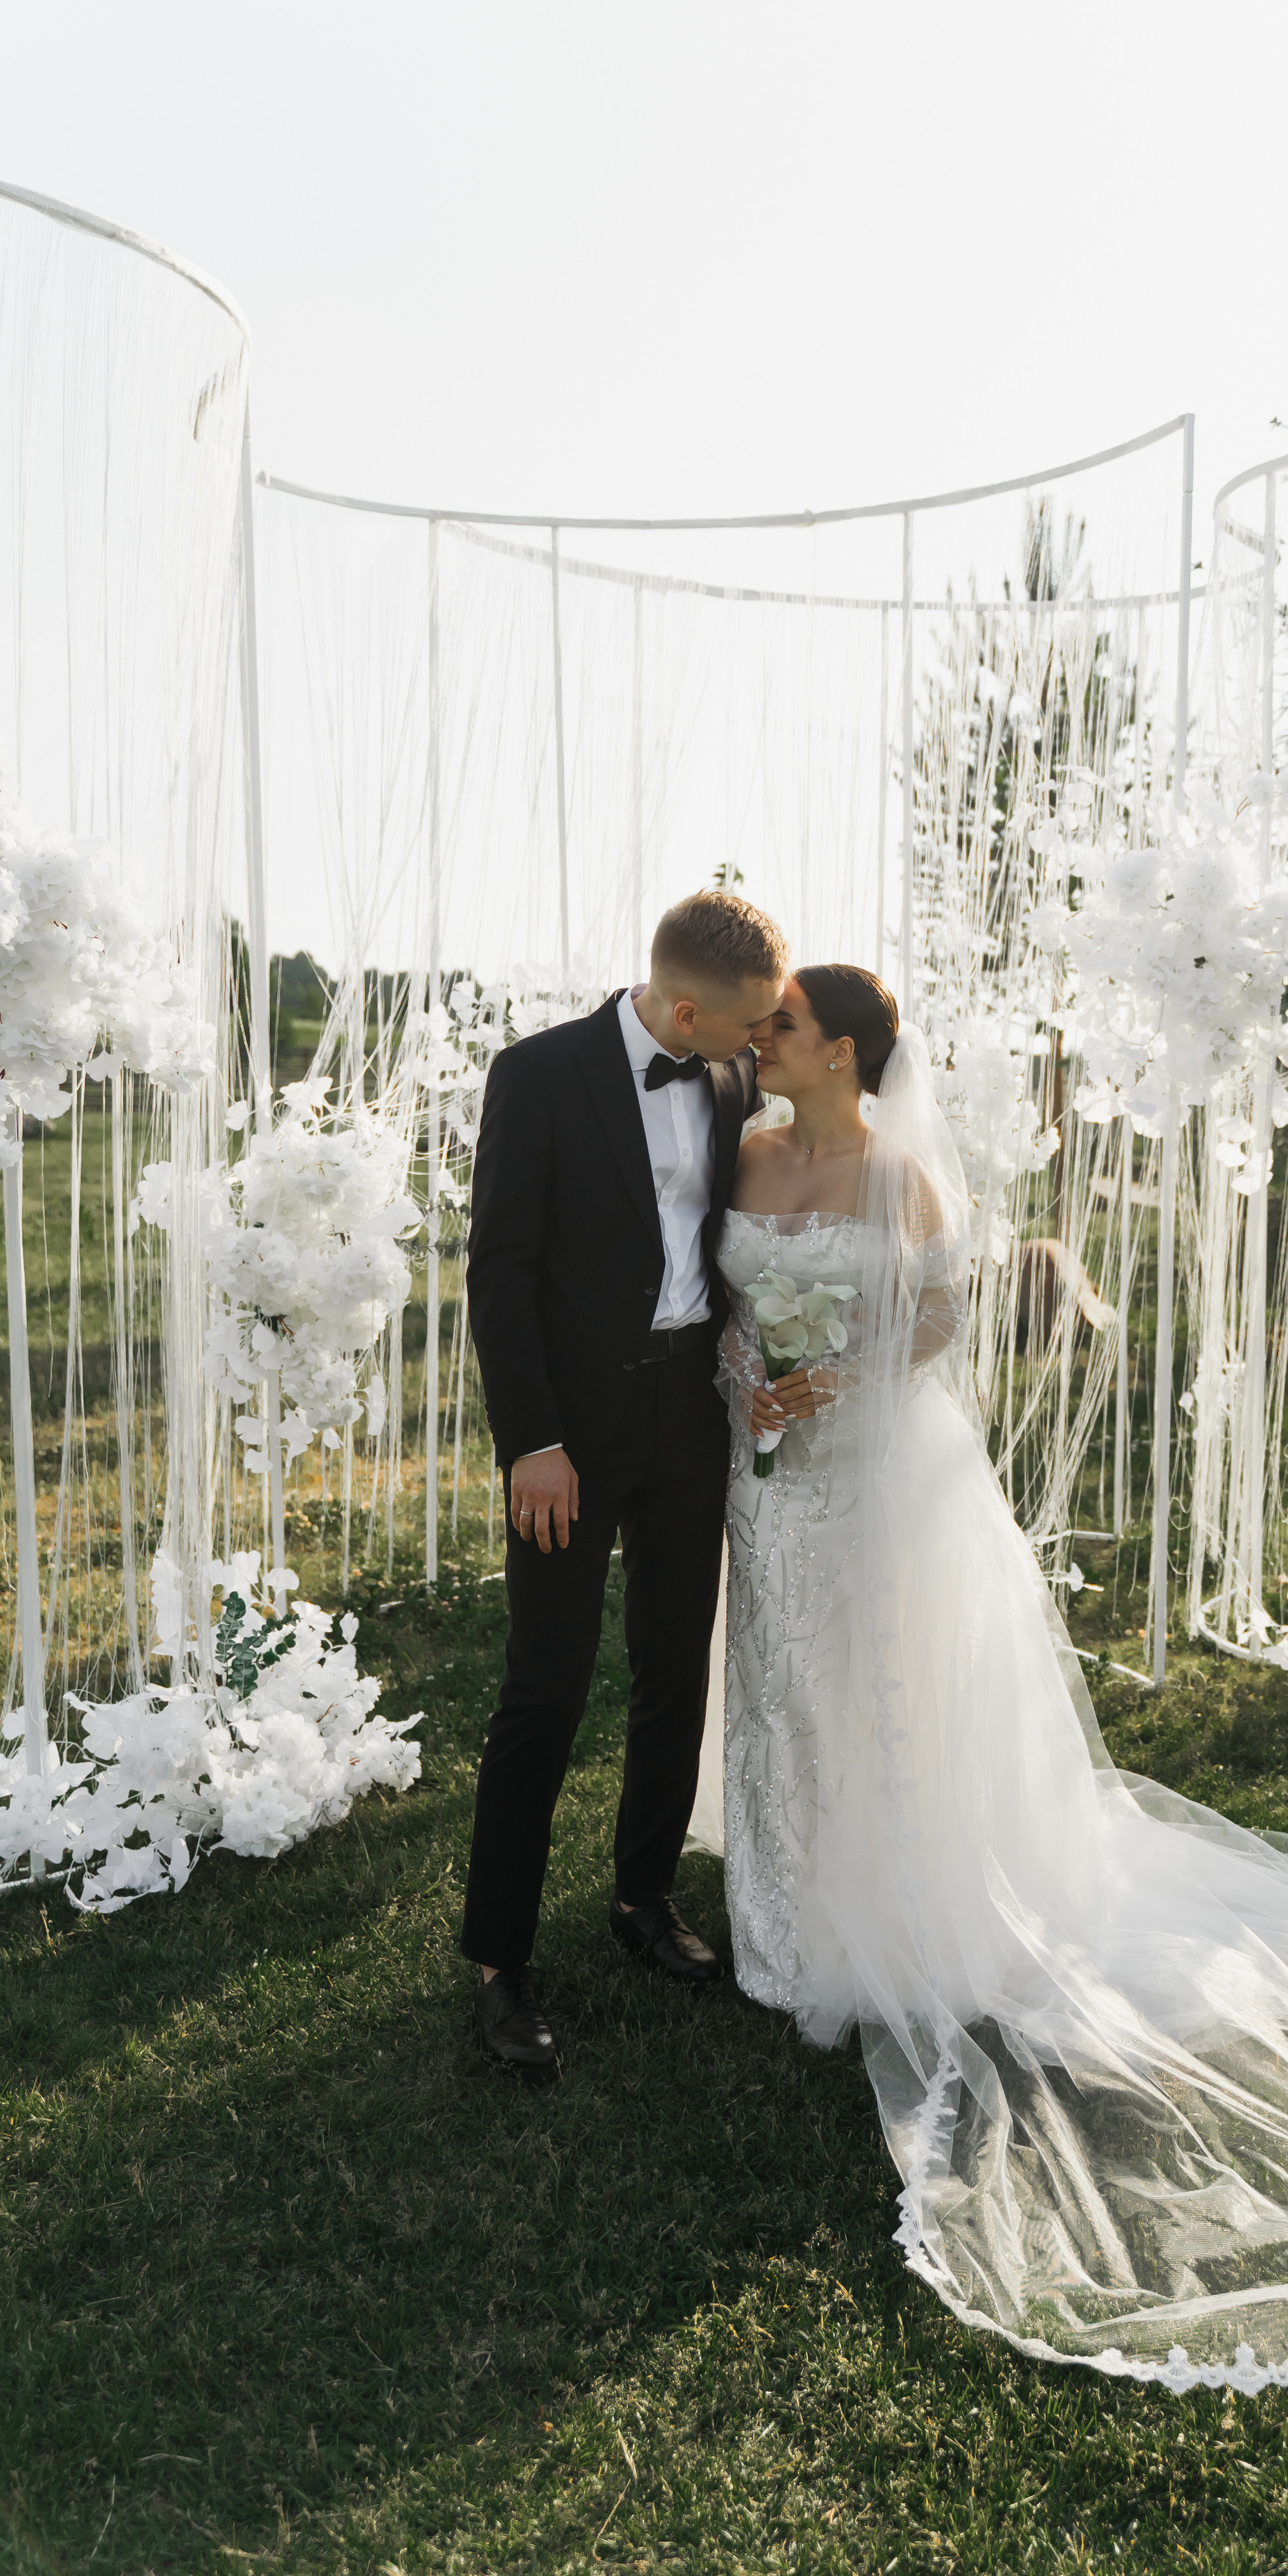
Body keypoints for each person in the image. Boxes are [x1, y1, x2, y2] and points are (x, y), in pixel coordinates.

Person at [699, 963, 1288, 2390]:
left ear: (850, 1052)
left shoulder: (900, 1171)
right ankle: (788, 1897)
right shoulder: (742, 1147)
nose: (767, 1040)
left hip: (872, 1465)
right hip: (766, 1474)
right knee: (776, 1676)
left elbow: (933, 1325)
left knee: (882, 1681)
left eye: (788, 1025)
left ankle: (898, 1898)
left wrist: (835, 1381)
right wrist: (752, 1374)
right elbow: (729, 1291)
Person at [461, 889, 786, 2083]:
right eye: (745, 1026)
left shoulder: (734, 1079)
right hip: (570, 1438)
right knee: (544, 1687)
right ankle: (501, 1965)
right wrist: (531, 1440)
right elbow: (499, 1272)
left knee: (672, 1664)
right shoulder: (538, 1074)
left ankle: (643, 1900)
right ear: (685, 1006)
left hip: (689, 1415)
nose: (758, 1048)